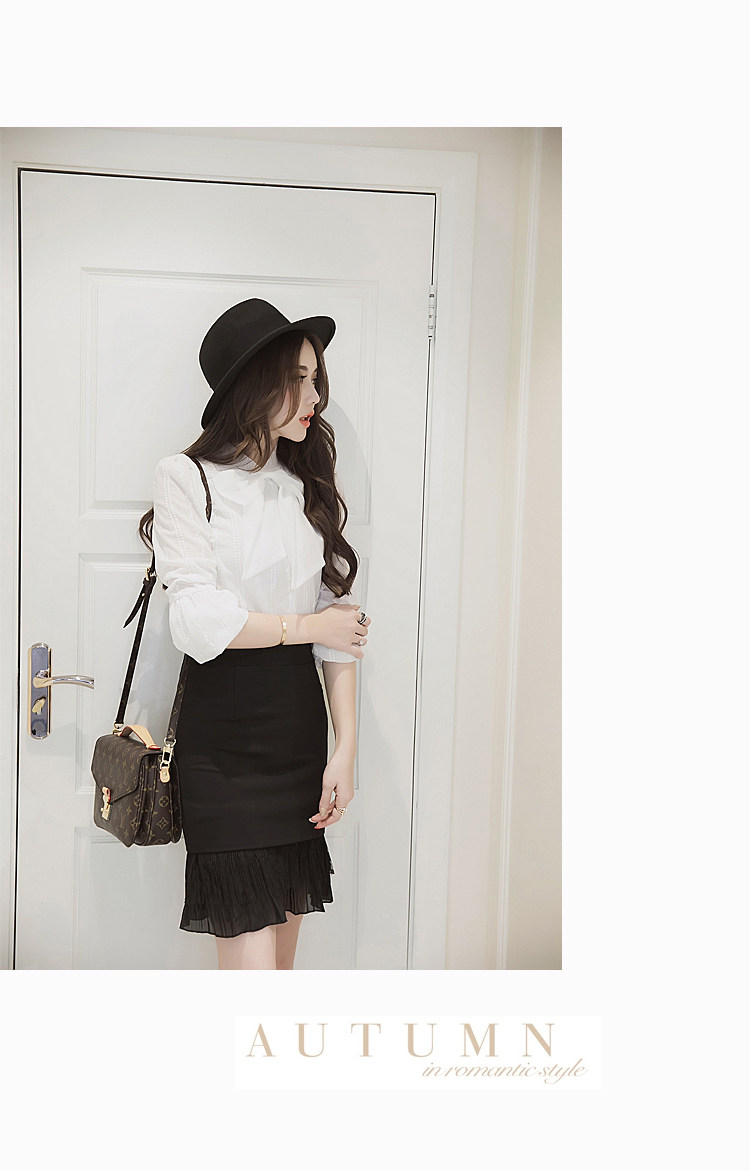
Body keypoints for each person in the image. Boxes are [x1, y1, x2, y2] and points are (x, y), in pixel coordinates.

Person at [140, 297, 371, 971]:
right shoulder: (186, 477)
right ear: (254, 384)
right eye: (299, 378)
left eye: (316, 378)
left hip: (299, 735)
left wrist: (346, 748)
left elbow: (339, 631)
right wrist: (305, 625)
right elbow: (196, 621)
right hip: (224, 741)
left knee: (280, 975)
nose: (316, 396)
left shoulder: (304, 481)